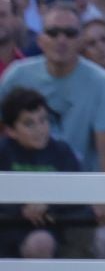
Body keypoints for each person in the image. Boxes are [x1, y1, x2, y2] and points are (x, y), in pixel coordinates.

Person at [0, 1, 105, 172]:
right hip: (22, 183)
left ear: (80, 41)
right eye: (53, 33)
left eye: (70, 33)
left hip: (80, 189)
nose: (61, 40)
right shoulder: (16, 75)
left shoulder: (101, 82)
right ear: (40, 40)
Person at [0, 87, 85, 259]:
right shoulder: (2, 152)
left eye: (44, 120)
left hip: (52, 228)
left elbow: (78, 195)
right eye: (29, 123)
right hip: (7, 227)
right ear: (10, 131)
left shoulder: (62, 152)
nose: (40, 129)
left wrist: (48, 204)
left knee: (41, 242)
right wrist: (20, 208)